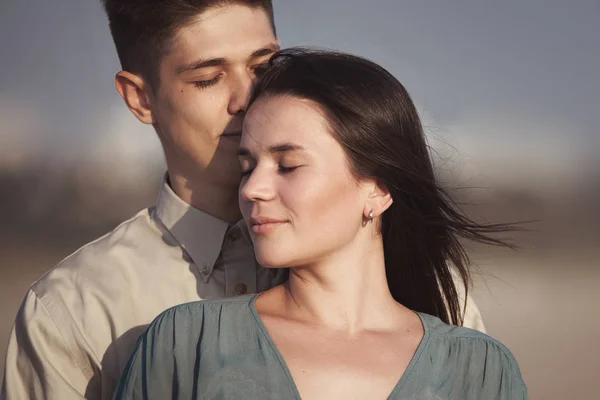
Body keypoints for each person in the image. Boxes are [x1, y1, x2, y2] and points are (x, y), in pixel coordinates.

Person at [1, 2, 484, 400]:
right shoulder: (74, 308)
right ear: (139, 98)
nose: (247, 97)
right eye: (208, 78)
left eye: (262, 67)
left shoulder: (427, 284)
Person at [114, 49, 527, 400]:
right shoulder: (187, 344)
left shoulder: (481, 372)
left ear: (378, 189)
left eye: (288, 165)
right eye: (247, 167)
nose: (253, 189)